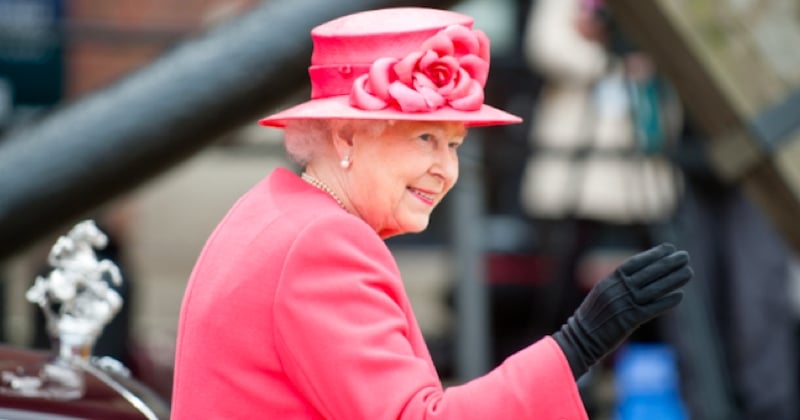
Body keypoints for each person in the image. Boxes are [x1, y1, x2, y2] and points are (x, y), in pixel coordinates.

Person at [170, 7, 692, 419]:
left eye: (454, 144)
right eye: (425, 138)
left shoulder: (275, 211)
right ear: (347, 135)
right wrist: (578, 344)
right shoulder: (324, 243)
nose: (447, 170)